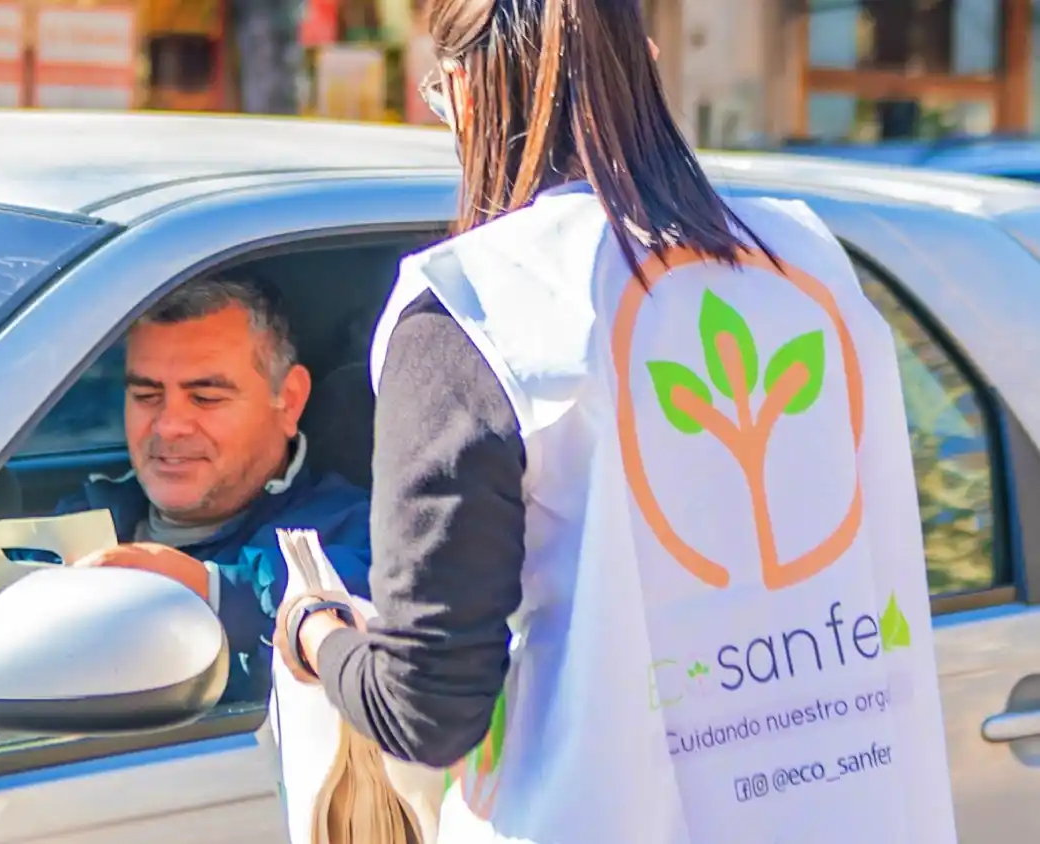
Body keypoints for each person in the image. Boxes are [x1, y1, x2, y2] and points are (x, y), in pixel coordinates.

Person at [273, 1, 957, 843]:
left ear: (465, 92)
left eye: (438, 100)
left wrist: (314, 631)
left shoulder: (478, 305)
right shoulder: (805, 261)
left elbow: (426, 708)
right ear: (649, 65)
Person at [0, 276, 372, 704]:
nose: (169, 425)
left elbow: (352, 616)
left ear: (288, 400)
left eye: (206, 397)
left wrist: (209, 592)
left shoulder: (354, 533)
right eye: (146, 394)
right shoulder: (86, 519)